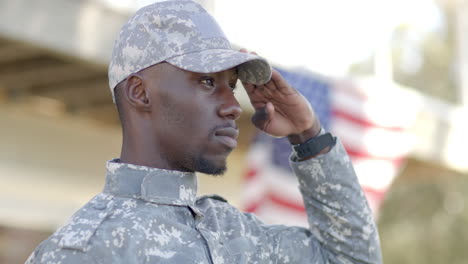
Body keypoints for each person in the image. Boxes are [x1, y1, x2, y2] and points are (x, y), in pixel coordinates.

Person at [26, 1, 382, 263]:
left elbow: (351, 258)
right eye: (208, 81)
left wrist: (309, 135)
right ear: (139, 92)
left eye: (232, 85)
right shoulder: (84, 250)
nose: (232, 105)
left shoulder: (237, 236)